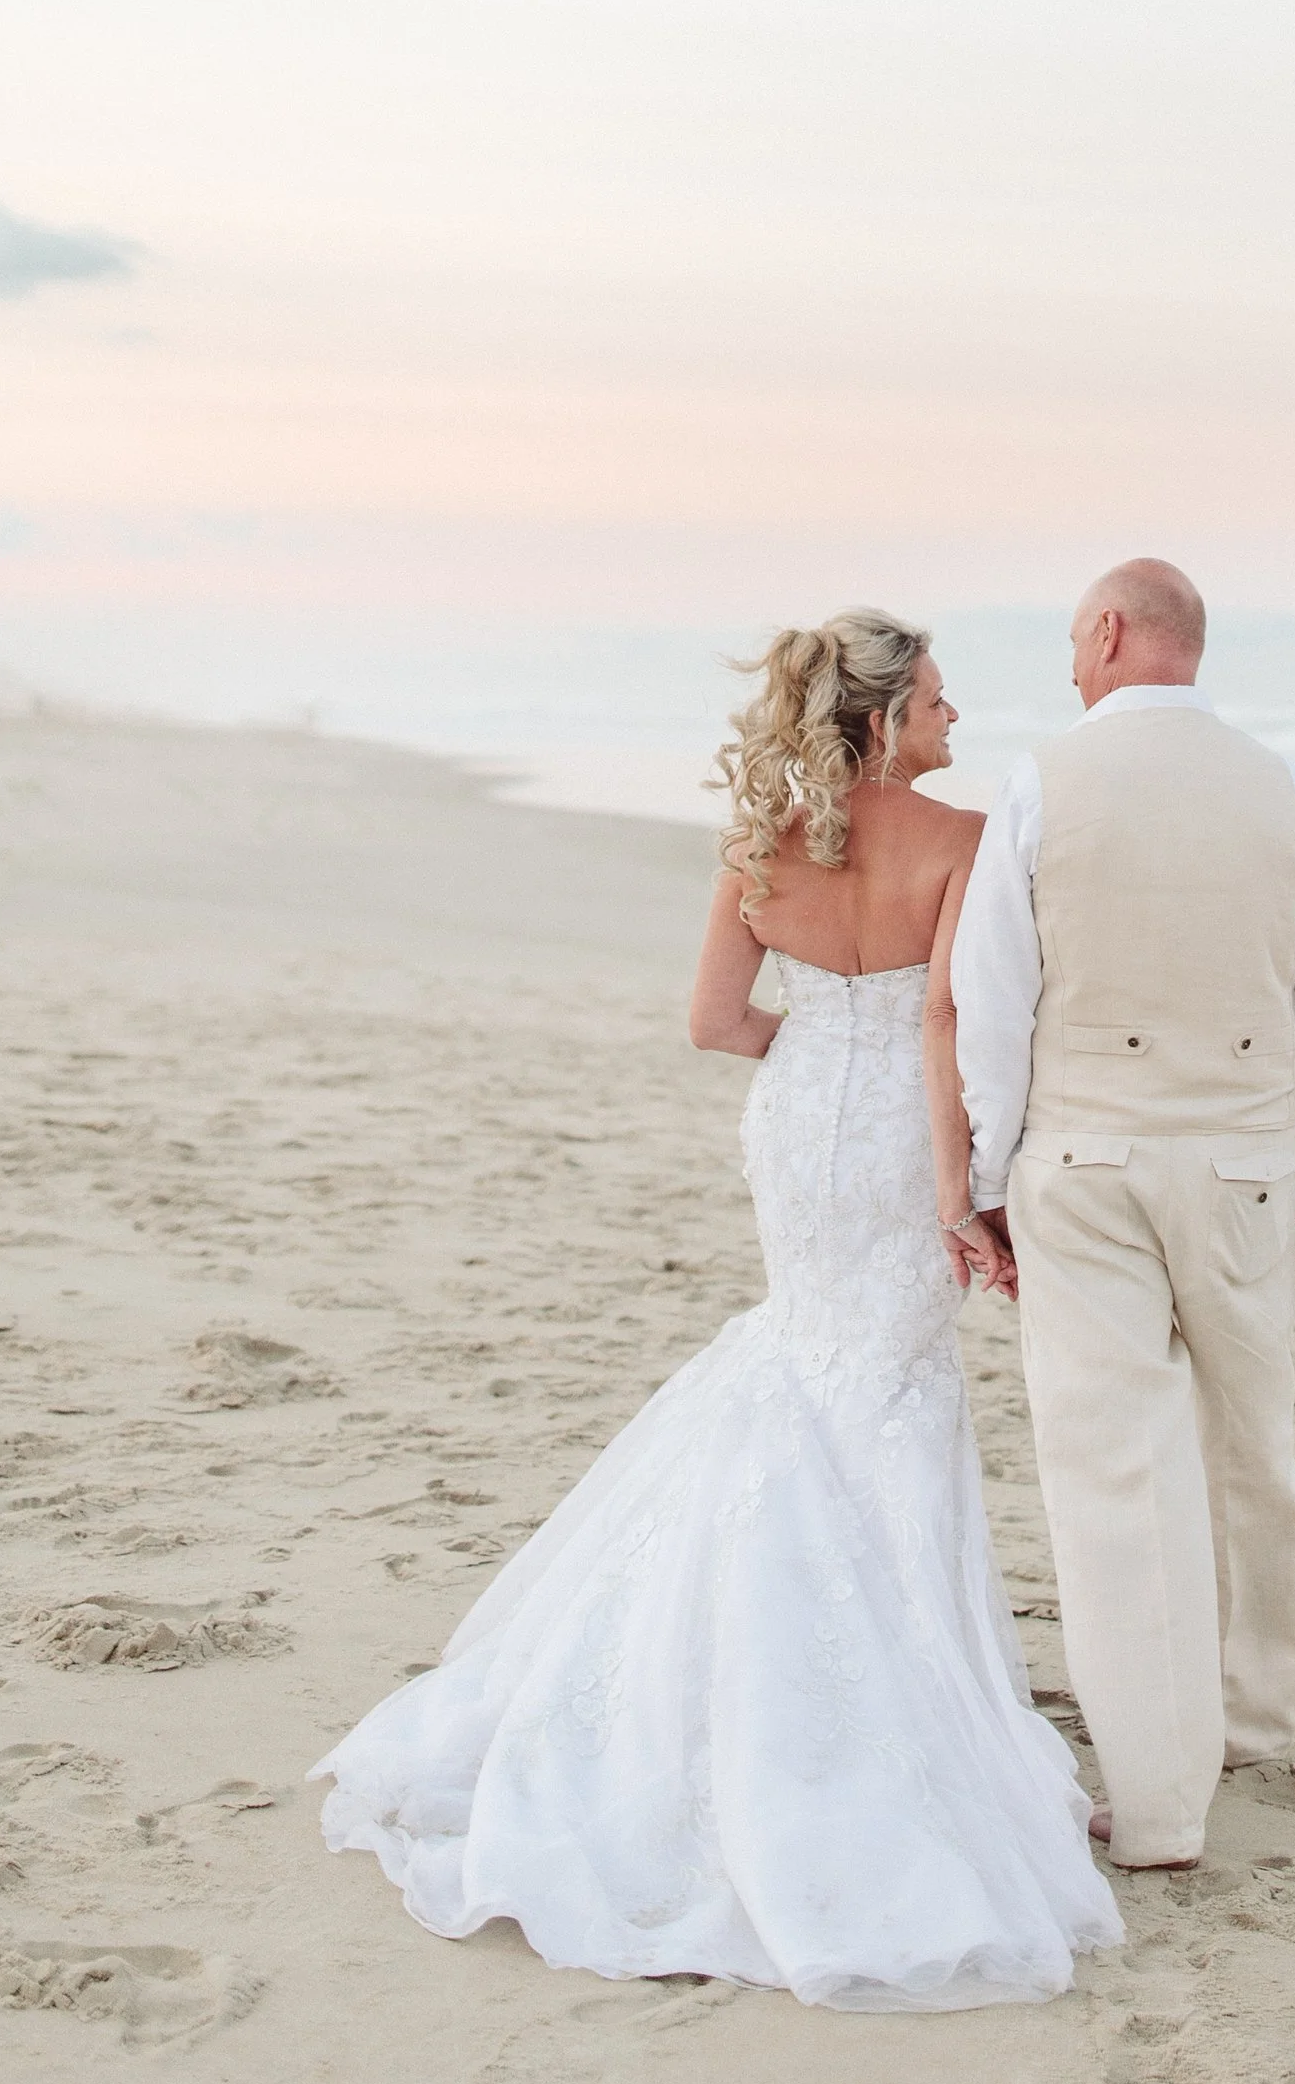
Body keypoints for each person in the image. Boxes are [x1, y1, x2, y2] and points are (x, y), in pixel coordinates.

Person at [315, 609, 1120, 2012]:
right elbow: (949, 1028)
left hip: (798, 1109)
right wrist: (959, 1188)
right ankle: (901, 1689)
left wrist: (812, 1042)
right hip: (890, 1133)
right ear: (881, 719)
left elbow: (712, 1019)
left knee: (805, 1353)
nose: (952, 717)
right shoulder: (962, 839)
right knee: (892, 1378)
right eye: (933, 698)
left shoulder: (762, 841)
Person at [951, 558, 1295, 1871]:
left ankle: (1156, 1801)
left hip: (1084, 1161)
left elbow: (995, 1002)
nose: (1069, 666)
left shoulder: (1042, 781)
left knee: (1112, 1467)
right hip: (1247, 1164)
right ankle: (1253, 1713)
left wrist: (982, 1179)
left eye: (1073, 641)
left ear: (1106, 632)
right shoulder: (1290, 788)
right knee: (1255, 1439)